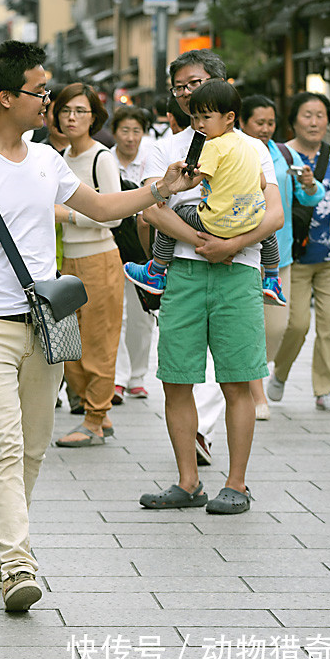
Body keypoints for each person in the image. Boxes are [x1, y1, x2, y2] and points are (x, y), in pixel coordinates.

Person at [0, 40, 198, 611]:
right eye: (40, 90)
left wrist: (159, 190)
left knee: (32, 448)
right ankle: (17, 563)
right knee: (4, 445)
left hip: (43, 322)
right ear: (6, 97)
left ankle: (0, 540)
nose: (48, 100)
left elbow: (103, 208)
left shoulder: (46, 161)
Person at [136, 49, 284, 515]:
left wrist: (231, 245)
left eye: (196, 83)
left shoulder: (252, 146)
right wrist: (205, 241)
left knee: (237, 380)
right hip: (183, 270)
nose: (189, 93)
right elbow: (151, 208)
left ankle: (236, 484)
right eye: (181, 87)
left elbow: (275, 213)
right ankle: (187, 481)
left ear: (218, 85)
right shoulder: (167, 148)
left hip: (238, 271)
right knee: (176, 380)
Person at [124, 81, 287, 309]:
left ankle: (156, 270)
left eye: (205, 118)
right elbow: (261, 182)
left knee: (176, 211)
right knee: (266, 232)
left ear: (229, 117)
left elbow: (192, 181)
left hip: (214, 221)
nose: (199, 125)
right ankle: (271, 278)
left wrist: (173, 182)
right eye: (195, 118)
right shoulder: (251, 146)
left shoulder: (212, 146)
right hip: (246, 219)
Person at [239, 94, 324, 420]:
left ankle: (255, 371)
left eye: (270, 123)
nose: (265, 128)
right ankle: (256, 392)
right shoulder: (238, 151)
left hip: (281, 254)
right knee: (251, 326)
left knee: (279, 326)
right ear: (243, 122)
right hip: (245, 250)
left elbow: (308, 196)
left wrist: (308, 183)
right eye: (259, 123)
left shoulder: (282, 153)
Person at [51, 83, 123, 447]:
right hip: (70, 261)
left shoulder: (101, 157)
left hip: (100, 259)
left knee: (98, 342)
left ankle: (94, 419)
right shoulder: (62, 157)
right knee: (69, 345)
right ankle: (99, 411)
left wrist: (66, 215)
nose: (72, 117)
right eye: (65, 111)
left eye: (80, 111)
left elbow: (114, 217)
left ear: (94, 117)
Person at [267, 92, 330, 412]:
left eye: (320, 115)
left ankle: (326, 388)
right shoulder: (280, 156)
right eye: (307, 115)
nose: (314, 122)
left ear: (329, 120)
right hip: (293, 255)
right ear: (294, 119)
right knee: (295, 324)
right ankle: (280, 373)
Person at [110, 105, 155, 403]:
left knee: (142, 314)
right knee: (118, 314)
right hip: (113, 243)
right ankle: (119, 377)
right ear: (115, 132)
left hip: (143, 244)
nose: (130, 138)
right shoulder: (105, 159)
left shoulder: (151, 160)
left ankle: (138, 375)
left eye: (136, 131)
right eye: (124, 131)